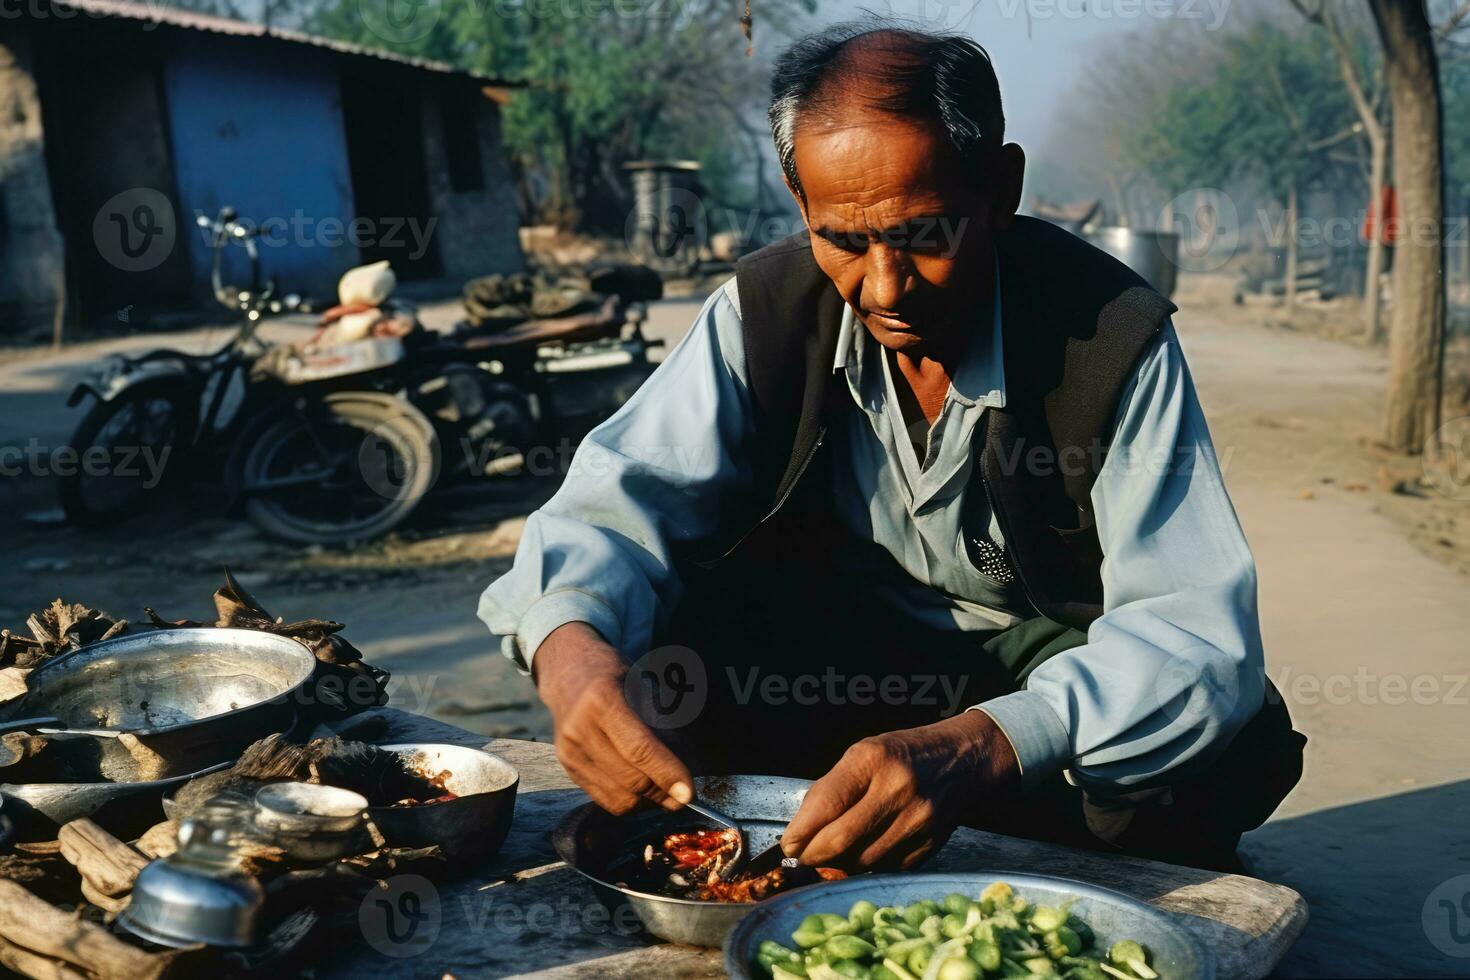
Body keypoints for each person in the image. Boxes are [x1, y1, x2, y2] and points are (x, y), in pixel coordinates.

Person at [480, 23, 1304, 873]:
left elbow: (1194, 636)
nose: (884, 289)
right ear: (802, 207)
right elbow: (614, 505)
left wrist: (985, 742)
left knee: (1217, 746)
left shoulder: (1106, 335)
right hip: (823, 658)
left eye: (925, 236)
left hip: (1036, 668)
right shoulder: (761, 313)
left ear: (1001, 189)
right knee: (661, 654)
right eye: (843, 240)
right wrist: (573, 657)